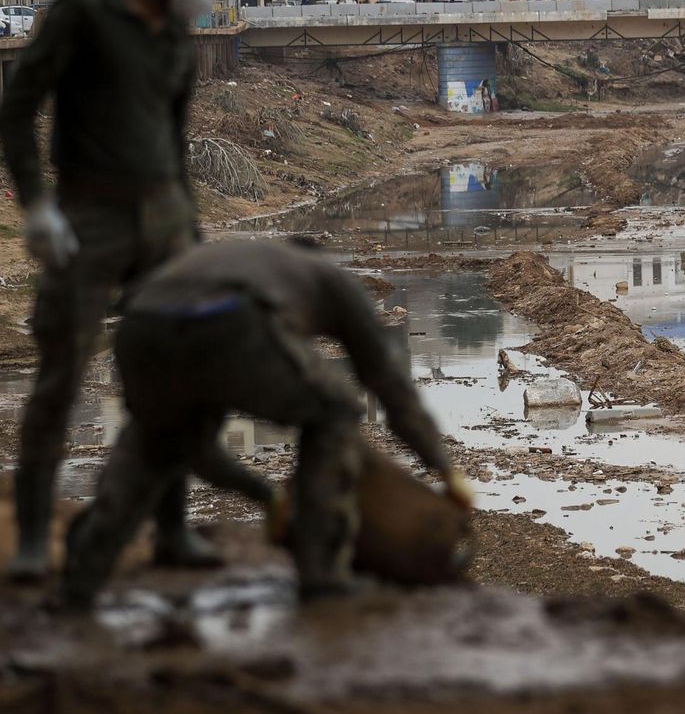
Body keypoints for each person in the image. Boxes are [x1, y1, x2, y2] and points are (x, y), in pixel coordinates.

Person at [0, 0, 234, 581]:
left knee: (171, 381)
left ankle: (172, 533)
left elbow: (175, 138)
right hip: (88, 214)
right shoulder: (82, 13)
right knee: (61, 377)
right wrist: (35, 204)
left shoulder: (177, 39)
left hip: (164, 218)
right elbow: (17, 109)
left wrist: (190, 227)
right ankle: (30, 541)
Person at [60, 239, 472, 608]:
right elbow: (388, 381)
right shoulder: (332, 280)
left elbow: (196, 450)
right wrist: (444, 467)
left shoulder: (249, 258)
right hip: (231, 319)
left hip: (140, 324)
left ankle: (83, 575)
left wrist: (266, 494)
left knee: (155, 437)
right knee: (336, 410)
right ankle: (322, 574)